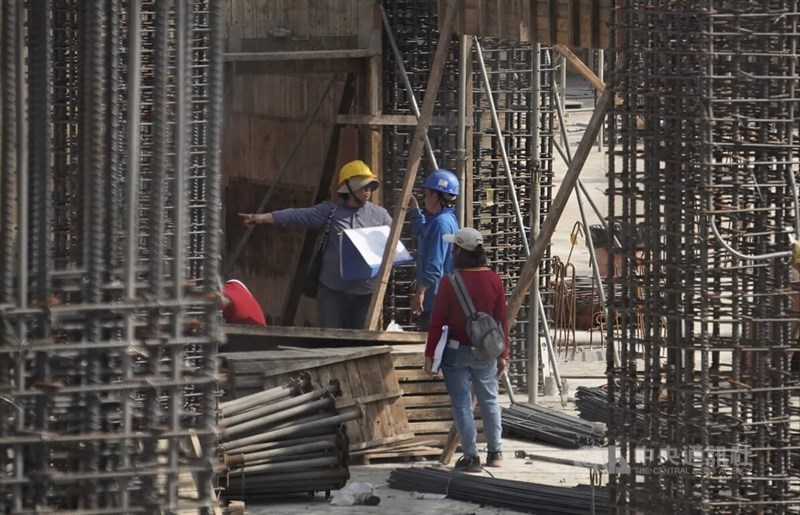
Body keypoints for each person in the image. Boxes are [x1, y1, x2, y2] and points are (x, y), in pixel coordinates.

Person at [238, 160, 392, 329]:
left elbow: (393, 246)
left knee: (361, 343)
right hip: (333, 292)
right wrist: (260, 218)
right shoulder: (330, 211)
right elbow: (296, 215)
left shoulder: (381, 216)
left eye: (370, 186)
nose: (368, 191)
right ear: (349, 188)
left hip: (366, 294)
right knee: (331, 340)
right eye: (363, 187)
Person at [423, 227, 509, 473]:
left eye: (454, 248)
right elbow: (501, 320)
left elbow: (437, 322)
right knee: (489, 400)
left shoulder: (449, 283)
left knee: (462, 403)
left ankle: (471, 457)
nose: (452, 251)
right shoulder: (494, 279)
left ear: (459, 251)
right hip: (486, 351)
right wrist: (503, 354)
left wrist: (430, 354)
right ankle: (495, 452)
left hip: (455, 351)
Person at [409, 169, 459, 331]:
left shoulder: (441, 224)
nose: (424, 199)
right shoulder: (443, 220)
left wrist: (420, 292)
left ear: (436, 196)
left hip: (435, 301)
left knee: (432, 349)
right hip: (440, 300)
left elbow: (435, 266)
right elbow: (422, 231)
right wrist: (414, 208)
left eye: (426, 195)